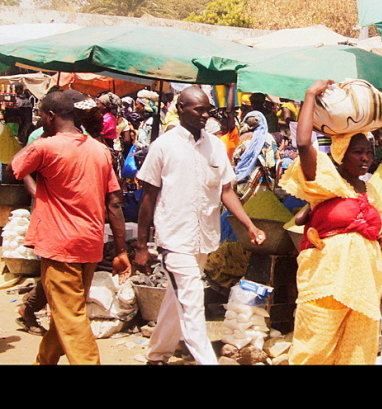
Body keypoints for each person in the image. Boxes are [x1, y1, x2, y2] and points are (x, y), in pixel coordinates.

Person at [134, 86, 266, 365]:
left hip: (204, 237)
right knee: (192, 301)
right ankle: (207, 360)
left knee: (177, 298)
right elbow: (148, 197)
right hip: (174, 238)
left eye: (207, 110)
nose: (205, 115)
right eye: (199, 110)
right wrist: (141, 245)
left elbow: (226, 191)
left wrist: (250, 225)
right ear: (181, 109)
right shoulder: (164, 146)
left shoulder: (215, 146)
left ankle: (157, 356)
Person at [8, 89, 131, 365]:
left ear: (50, 116)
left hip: (59, 244)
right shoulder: (100, 150)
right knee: (67, 313)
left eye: (41, 115)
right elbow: (114, 203)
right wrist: (121, 250)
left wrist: (38, 184)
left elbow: (14, 169)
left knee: (70, 317)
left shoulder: (45, 146)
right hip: (89, 244)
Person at [278, 79, 382, 365]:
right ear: (341, 154)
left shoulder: (371, 191)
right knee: (315, 345)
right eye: (358, 152)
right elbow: (304, 144)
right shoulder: (327, 182)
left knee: (358, 349)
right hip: (327, 280)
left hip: (364, 284)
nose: (366, 158)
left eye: (369, 152)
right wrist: (309, 95)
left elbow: (371, 234)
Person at [233, 111, 279, 200]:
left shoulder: (242, 137)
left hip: (243, 179)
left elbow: (235, 157)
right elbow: (274, 160)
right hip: (263, 178)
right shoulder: (269, 138)